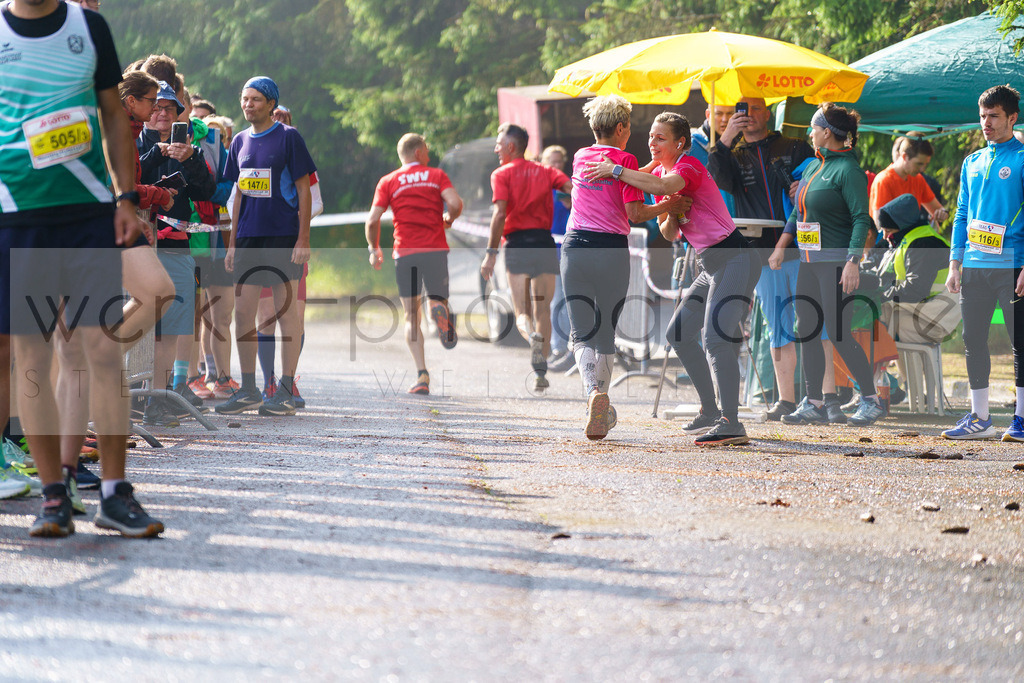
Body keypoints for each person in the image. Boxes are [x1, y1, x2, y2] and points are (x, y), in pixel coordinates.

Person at [0, 0, 163, 537]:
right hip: (20, 219)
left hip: (90, 214)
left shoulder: (87, 27)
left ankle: (115, 494)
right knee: (31, 352)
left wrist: (123, 197)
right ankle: (54, 496)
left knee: (100, 347)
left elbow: (114, 114)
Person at [585, 112, 759, 445]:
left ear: (679, 143)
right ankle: (709, 411)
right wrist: (672, 210)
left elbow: (664, 186)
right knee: (678, 334)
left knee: (716, 338)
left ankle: (732, 422)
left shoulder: (687, 166)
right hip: (711, 265)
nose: (651, 143)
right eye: (650, 136)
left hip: (736, 258)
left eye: (660, 138)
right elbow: (668, 231)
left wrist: (617, 170)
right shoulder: (662, 175)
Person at [560, 95, 686, 440]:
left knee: (579, 332)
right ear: (620, 128)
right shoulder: (626, 158)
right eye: (629, 125)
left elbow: (619, 177)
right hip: (611, 251)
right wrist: (666, 205)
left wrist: (640, 172)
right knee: (605, 334)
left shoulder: (581, 156)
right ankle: (600, 396)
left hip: (575, 249)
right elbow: (634, 214)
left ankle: (593, 396)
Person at [706, 98, 838, 422]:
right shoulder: (732, 156)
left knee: (814, 322)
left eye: (754, 109)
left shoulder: (793, 146)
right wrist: (724, 138)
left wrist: (803, 187)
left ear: (767, 112)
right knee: (778, 325)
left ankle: (827, 397)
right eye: (741, 110)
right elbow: (717, 179)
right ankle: (786, 399)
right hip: (761, 252)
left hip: (802, 246)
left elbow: (823, 175)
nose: (747, 116)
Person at [768, 103, 887, 427]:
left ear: (827, 133)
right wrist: (781, 247)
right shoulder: (814, 167)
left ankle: (871, 400)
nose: (809, 132)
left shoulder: (847, 170)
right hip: (808, 261)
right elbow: (796, 212)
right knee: (805, 330)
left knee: (837, 333)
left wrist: (853, 262)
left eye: (813, 127)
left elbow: (862, 219)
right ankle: (815, 403)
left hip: (835, 263)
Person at [216, 77, 316, 416]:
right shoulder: (240, 141)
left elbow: (303, 189)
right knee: (243, 313)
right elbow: (239, 192)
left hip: (283, 236)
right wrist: (231, 245)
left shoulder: (289, 137)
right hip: (247, 239)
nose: (248, 105)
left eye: (256, 99)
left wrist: (303, 238)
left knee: (285, 312)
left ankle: (286, 389)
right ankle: (248, 389)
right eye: (244, 99)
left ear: (271, 104)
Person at [943, 85, 1024, 441]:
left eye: (994, 116)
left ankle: (1020, 419)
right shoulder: (971, 161)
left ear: (1012, 117)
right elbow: (962, 213)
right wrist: (954, 262)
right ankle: (980, 417)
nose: (986, 123)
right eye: (982, 116)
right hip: (974, 264)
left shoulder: (1021, 158)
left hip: (1013, 264)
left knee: (1019, 341)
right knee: (973, 338)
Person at [137, 78, 216, 425]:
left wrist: (193, 158)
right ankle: (129, 397)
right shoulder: (134, 140)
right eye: (156, 107)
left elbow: (209, 192)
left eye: (170, 108)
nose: (162, 114)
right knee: (136, 325)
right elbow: (124, 179)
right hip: (138, 246)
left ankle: (158, 399)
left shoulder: (187, 146)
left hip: (177, 245)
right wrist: (155, 153)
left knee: (171, 326)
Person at [365, 134, 463, 395]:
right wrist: (449, 218)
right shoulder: (435, 176)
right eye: (427, 150)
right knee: (438, 299)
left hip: (405, 253)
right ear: (418, 152)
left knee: (410, 314)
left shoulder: (388, 181)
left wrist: (374, 248)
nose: (429, 155)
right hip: (434, 250)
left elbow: (373, 220)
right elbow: (454, 203)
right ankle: (437, 310)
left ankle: (422, 374)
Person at [481, 124, 572, 391]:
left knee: (522, 311)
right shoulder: (546, 171)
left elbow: (499, 215)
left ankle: (529, 336)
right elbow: (571, 188)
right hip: (544, 242)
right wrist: (567, 199)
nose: (496, 149)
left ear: (511, 147)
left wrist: (490, 254)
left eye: (499, 144)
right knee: (543, 309)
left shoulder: (501, 174)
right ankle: (540, 370)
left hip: (517, 244)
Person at [869, 135, 949, 235]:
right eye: (919, 164)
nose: (923, 169)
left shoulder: (918, 178)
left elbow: (938, 209)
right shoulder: (884, 181)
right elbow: (880, 227)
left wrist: (942, 214)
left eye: (926, 164)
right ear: (904, 156)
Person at [540, 145, 575, 372]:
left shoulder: (568, 185)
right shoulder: (540, 186)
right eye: (551, 162)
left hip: (567, 245)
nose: (555, 166)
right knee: (552, 299)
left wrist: (571, 203)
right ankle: (556, 347)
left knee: (564, 298)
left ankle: (563, 347)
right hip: (546, 245)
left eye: (559, 162)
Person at [688, 103, 736, 215]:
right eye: (719, 114)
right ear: (708, 114)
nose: (725, 119)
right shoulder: (691, 147)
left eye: (730, 114)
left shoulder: (741, 144)